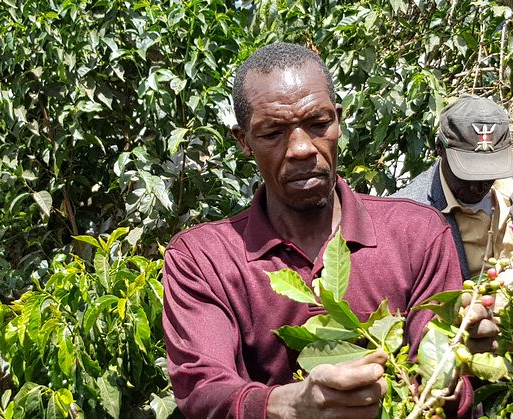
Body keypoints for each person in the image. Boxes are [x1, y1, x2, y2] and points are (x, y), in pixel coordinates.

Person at [162, 42, 491, 419]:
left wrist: (460, 366)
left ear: (338, 120)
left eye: (318, 124)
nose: (301, 148)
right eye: (272, 133)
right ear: (244, 142)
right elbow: (204, 391)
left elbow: (442, 384)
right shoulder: (202, 258)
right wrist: (288, 405)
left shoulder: (417, 234)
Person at [393, 95, 513, 287]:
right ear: (440, 149)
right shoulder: (408, 211)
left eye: (491, 172)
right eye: (467, 174)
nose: (478, 186)